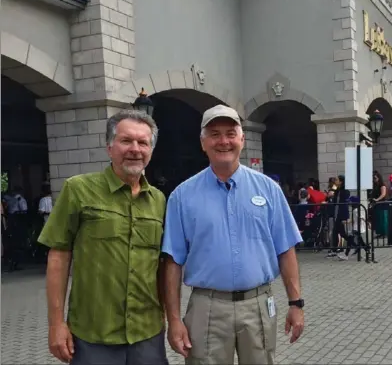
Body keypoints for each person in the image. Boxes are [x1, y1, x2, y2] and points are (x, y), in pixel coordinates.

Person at [162, 104, 305, 365]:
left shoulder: (268, 190)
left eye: (230, 133)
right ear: (203, 143)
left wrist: (296, 303)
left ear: (241, 138)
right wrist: (173, 320)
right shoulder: (182, 197)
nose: (223, 141)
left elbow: (285, 249)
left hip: (258, 304)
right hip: (206, 307)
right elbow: (173, 261)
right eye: (214, 134)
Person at [38, 110, 168, 365]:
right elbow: (58, 256)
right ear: (110, 147)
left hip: (147, 334)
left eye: (143, 143)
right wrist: (56, 323)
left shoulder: (159, 201)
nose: (135, 149)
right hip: (93, 336)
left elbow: (162, 265)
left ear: (150, 151)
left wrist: (168, 316)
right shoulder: (78, 189)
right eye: (126, 141)